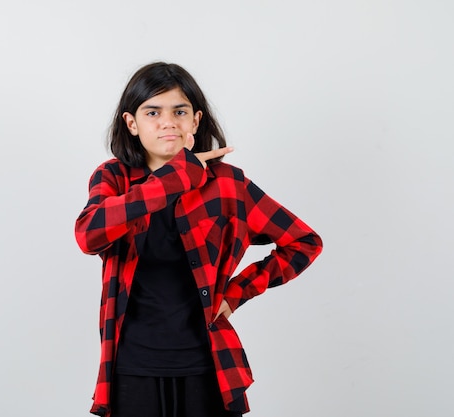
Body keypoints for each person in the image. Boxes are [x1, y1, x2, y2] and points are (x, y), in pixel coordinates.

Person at [74, 62, 323, 417]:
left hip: (208, 366)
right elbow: (88, 235)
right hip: (132, 367)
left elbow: (304, 242)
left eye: (179, 111)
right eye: (152, 112)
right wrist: (177, 177)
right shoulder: (113, 178)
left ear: (195, 120)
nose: (167, 122)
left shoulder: (227, 184)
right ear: (132, 123)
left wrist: (237, 293)